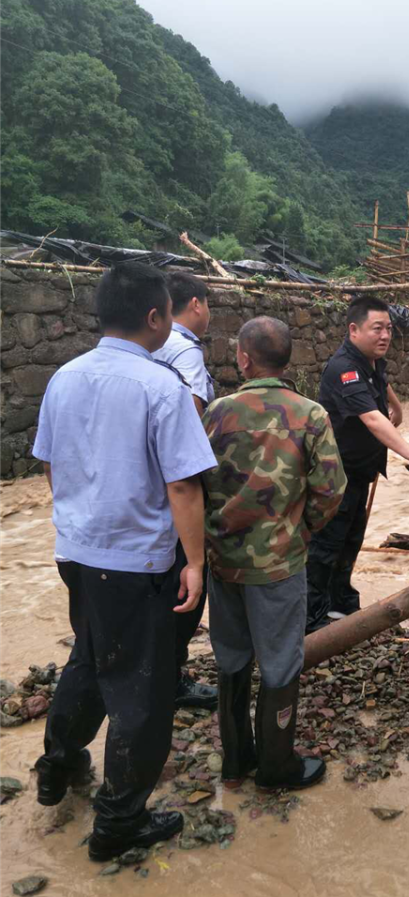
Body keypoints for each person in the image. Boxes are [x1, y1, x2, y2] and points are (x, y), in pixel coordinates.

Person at [31, 262, 217, 862]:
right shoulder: (160, 386)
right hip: (138, 563)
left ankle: (58, 768)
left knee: (89, 657)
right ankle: (118, 822)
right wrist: (195, 562)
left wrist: (82, 521)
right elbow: (184, 487)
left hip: (78, 553)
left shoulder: (64, 376)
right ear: (155, 316)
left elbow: (51, 466)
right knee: (143, 687)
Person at [202, 317, 346, 791]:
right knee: (281, 663)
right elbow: (331, 489)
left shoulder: (216, 412)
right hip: (280, 565)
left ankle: (235, 760)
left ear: (243, 357)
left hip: (223, 562)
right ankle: (277, 767)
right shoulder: (311, 415)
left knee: (230, 657)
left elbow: (193, 484)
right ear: (289, 359)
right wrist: (299, 531)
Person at [306, 295, 409, 633]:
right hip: (335, 478)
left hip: (358, 474)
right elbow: (371, 418)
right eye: (377, 329)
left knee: (350, 542)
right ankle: (310, 622)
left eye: (388, 328)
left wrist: (398, 409)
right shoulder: (344, 368)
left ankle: (340, 606)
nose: (385, 335)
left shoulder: (370, 361)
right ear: (353, 329)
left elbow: (380, 386)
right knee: (325, 547)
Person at [152, 271, 218, 710]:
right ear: (195, 304)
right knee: (189, 581)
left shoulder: (152, 348)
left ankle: (148, 669)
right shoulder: (186, 351)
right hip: (175, 490)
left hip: (140, 490)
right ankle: (168, 679)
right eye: (208, 305)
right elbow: (188, 421)